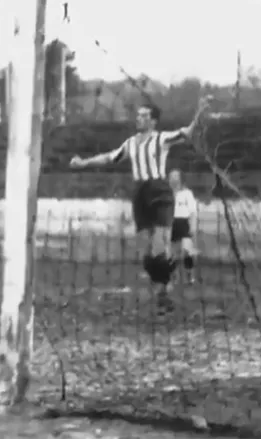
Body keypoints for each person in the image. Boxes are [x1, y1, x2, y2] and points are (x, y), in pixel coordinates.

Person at [70, 98, 210, 309]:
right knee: (146, 252)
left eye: (144, 115)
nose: (139, 118)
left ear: (153, 121)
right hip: (140, 193)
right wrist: (83, 163)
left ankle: (164, 293)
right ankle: (162, 284)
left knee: (160, 245)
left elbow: (188, 132)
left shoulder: (162, 139)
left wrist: (200, 111)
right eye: (138, 115)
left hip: (160, 191)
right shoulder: (130, 143)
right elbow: (109, 157)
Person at [169, 169, 199, 281]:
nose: (174, 179)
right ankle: (174, 275)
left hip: (184, 222)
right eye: (172, 176)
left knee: (187, 249)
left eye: (176, 176)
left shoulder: (187, 193)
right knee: (173, 252)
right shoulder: (167, 193)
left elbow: (193, 211)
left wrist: (193, 225)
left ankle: (190, 274)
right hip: (171, 222)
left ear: (180, 178)